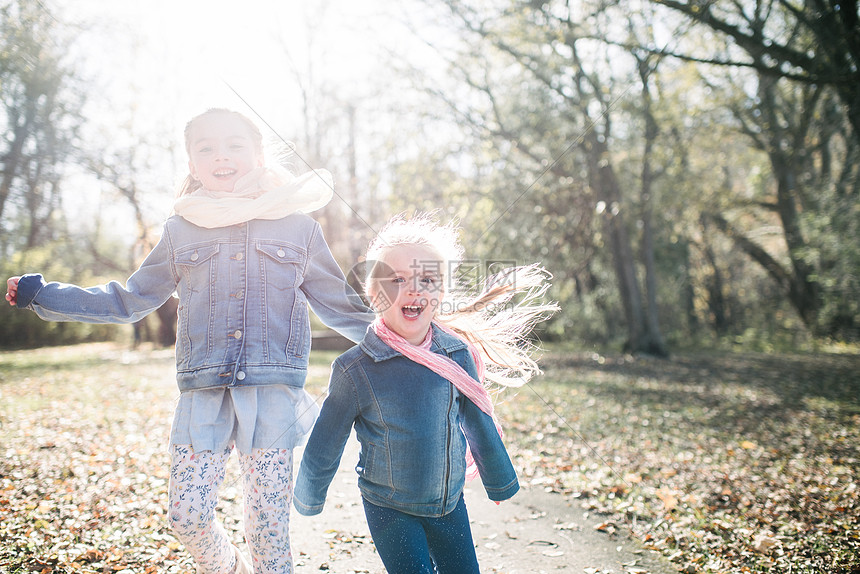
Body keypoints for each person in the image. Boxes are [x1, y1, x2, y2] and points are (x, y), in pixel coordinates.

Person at [5, 108, 373, 574]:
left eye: (235, 145)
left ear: (257, 154)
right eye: (207, 148)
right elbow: (130, 299)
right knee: (187, 516)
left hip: (272, 397)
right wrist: (47, 295)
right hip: (203, 395)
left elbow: (341, 306)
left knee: (268, 530)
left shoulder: (299, 228)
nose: (222, 156)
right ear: (192, 164)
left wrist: (412, 340)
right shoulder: (181, 231)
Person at [293, 213, 558, 574]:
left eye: (427, 279)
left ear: (442, 294)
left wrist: (499, 480)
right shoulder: (356, 369)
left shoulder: (456, 354)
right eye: (398, 279)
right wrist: (309, 495)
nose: (414, 289)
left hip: (448, 503)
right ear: (374, 294)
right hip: (389, 506)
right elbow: (327, 439)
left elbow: (477, 419)